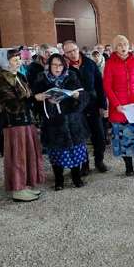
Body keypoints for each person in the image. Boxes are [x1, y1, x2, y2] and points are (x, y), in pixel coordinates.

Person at [0, 48, 47, 201]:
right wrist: (34, 99)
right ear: (4, 62)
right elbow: (11, 104)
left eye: (18, 59)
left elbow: (27, 95)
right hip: (14, 123)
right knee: (18, 155)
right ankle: (18, 189)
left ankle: (25, 184)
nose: (19, 62)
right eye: (14, 60)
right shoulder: (0, 79)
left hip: (26, 121)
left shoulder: (19, 76)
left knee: (27, 153)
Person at [32, 53, 89, 190]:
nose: (57, 68)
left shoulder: (72, 76)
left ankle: (76, 178)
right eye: (54, 65)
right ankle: (59, 180)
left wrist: (76, 95)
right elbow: (33, 101)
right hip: (53, 124)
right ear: (49, 65)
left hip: (72, 122)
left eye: (60, 65)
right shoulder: (41, 79)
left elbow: (84, 96)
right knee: (56, 153)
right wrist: (40, 98)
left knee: (75, 151)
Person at [103, 35, 134, 176]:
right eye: (119, 45)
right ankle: (129, 167)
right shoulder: (110, 63)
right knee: (124, 139)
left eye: (125, 44)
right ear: (115, 48)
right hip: (120, 110)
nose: (123, 47)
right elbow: (107, 86)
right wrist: (116, 104)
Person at [63, 40, 108, 174]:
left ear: (78, 49)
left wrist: (103, 105)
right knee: (80, 138)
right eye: (68, 52)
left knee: (99, 136)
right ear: (64, 54)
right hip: (76, 109)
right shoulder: (64, 68)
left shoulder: (90, 63)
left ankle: (99, 161)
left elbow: (100, 85)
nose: (72, 54)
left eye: (74, 50)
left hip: (93, 106)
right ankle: (85, 163)